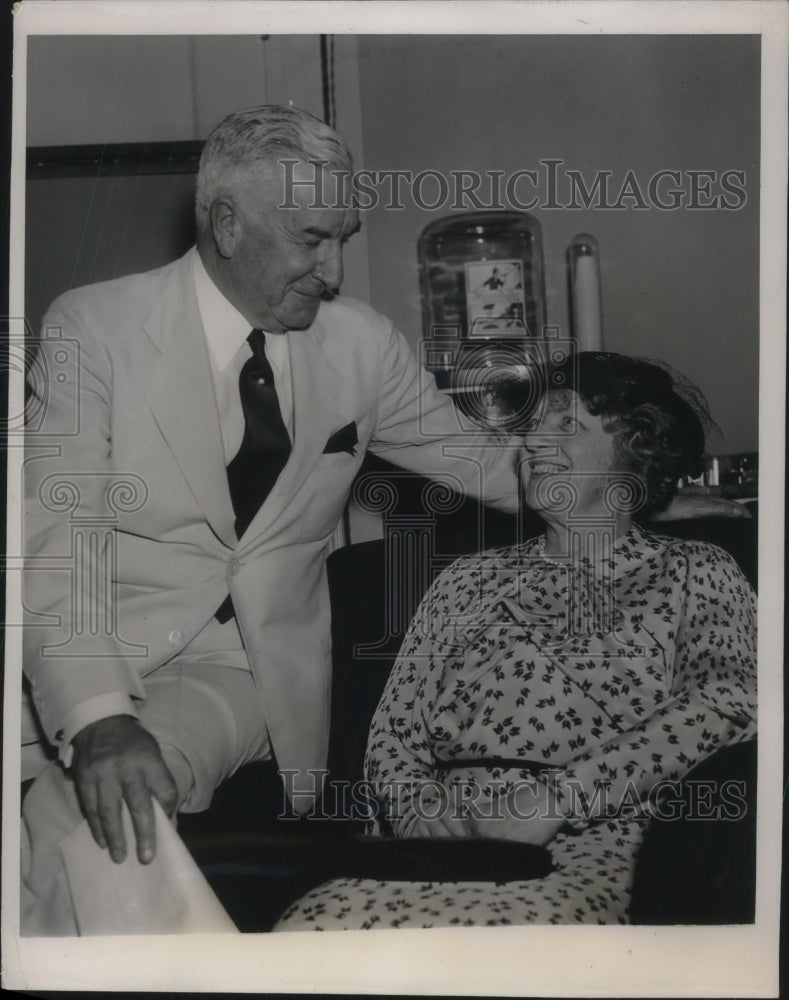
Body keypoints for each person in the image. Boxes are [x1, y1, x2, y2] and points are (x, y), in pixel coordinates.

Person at [19, 105, 521, 935]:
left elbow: (487, 464)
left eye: (343, 239)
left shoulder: (361, 347)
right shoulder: (95, 327)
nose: (334, 271)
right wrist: (99, 713)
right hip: (80, 653)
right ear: (227, 224)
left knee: (96, 809)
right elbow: (56, 537)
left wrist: (638, 492)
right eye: (311, 239)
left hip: (234, 672)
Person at [274, 352, 757, 930]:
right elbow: (396, 729)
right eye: (531, 427)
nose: (531, 442)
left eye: (567, 423)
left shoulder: (695, 569)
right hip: (436, 839)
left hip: (591, 839)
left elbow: (729, 701)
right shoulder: (466, 579)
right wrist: (412, 805)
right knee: (311, 928)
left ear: (638, 453)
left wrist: (560, 797)